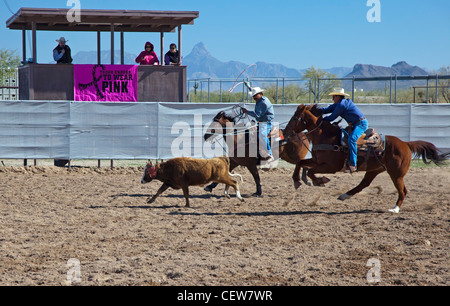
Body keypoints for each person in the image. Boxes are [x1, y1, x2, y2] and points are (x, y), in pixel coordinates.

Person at [319, 88, 368, 173]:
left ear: (338, 96)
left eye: (334, 96)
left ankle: (353, 164)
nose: (332, 98)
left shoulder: (341, 105)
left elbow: (332, 117)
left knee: (351, 139)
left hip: (361, 124)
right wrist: (314, 110)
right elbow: (326, 110)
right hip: (355, 124)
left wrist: (320, 120)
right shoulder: (338, 104)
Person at [242, 87, 275, 162]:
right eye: (253, 95)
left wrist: (247, 112)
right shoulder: (261, 99)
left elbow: (257, 115)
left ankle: (269, 154)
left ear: (260, 94)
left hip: (266, 122)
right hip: (262, 122)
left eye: (255, 95)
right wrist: (250, 87)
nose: (254, 97)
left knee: (262, 135)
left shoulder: (263, 103)